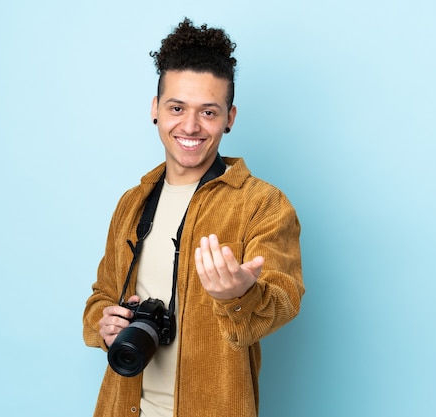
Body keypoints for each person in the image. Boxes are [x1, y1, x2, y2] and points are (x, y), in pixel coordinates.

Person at [83, 18, 304, 417]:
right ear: (155, 109)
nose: (190, 125)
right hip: (123, 406)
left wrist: (238, 295)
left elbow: (284, 299)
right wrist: (106, 321)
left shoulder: (262, 204)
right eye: (177, 108)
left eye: (208, 112)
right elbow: (102, 292)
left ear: (230, 117)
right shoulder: (131, 203)